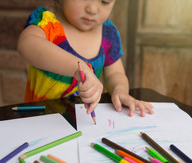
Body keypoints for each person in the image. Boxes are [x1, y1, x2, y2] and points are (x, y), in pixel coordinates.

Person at [17, 0, 154, 117]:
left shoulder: (108, 33)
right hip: (39, 118)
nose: (92, 9)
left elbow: (115, 73)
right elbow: (26, 44)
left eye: (105, 1)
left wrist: (120, 91)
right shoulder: (47, 24)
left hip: (82, 121)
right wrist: (78, 67)